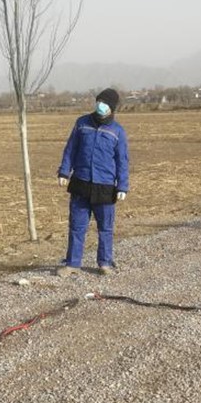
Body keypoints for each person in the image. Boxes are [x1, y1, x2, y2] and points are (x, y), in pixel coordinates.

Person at [56, 88, 130, 276]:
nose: (100, 105)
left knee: (105, 227)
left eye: (105, 103)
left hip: (105, 186)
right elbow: (70, 149)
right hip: (81, 182)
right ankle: (72, 264)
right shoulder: (81, 123)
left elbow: (122, 160)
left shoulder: (117, 131)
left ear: (112, 108)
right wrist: (64, 171)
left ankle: (104, 263)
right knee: (77, 226)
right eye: (99, 101)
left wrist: (122, 186)